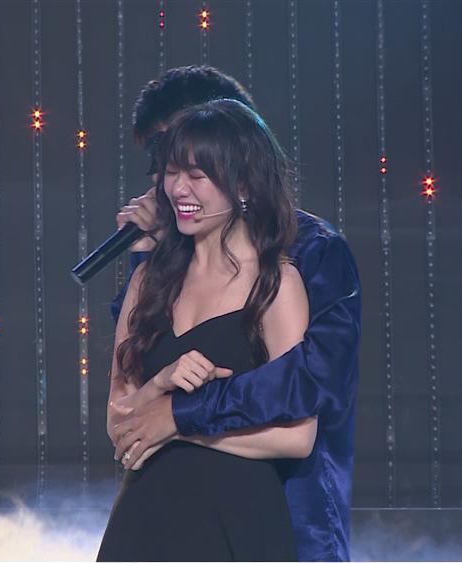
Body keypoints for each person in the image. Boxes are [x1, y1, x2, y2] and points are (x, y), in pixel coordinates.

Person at [106, 66, 361, 562]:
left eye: (194, 165)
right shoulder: (158, 268)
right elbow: (128, 400)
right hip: (154, 516)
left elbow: (308, 383)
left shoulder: (310, 252)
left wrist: (180, 416)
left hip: (279, 508)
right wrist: (148, 255)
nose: (169, 183)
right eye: (165, 164)